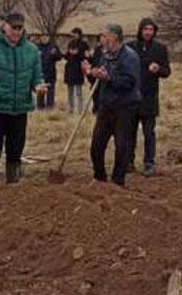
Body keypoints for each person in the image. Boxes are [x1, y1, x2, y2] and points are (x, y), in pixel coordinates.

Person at [0, 12, 48, 184]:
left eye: (19, 28)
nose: (16, 31)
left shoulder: (32, 50)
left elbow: (37, 77)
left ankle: (13, 184)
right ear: (4, 26)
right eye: (13, 27)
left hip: (20, 108)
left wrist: (38, 87)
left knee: (16, 149)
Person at [83, 24, 141, 186]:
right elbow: (99, 80)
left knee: (122, 146)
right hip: (106, 106)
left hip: (125, 107)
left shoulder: (130, 57)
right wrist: (91, 73)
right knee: (96, 145)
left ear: (115, 37)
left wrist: (109, 77)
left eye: (105, 36)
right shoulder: (104, 56)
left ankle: (118, 181)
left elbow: (130, 82)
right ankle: (100, 177)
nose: (102, 39)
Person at [127, 17, 171, 176]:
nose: (148, 32)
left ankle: (149, 163)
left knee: (149, 132)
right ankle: (128, 162)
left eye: (151, 30)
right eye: (145, 29)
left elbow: (167, 72)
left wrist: (158, 69)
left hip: (150, 97)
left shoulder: (160, 48)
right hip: (131, 96)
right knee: (129, 132)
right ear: (140, 30)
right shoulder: (130, 47)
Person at [64, 27, 90, 113]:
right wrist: (68, 53)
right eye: (73, 34)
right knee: (70, 91)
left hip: (78, 69)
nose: (74, 35)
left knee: (79, 92)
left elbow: (87, 57)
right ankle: (71, 108)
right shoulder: (70, 43)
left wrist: (78, 53)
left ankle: (80, 109)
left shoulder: (84, 44)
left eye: (75, 33)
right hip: (70, 69)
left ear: (79, 34)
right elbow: (66, 56)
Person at [36, 34, 62, 110]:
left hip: (51, 72)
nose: (44, 39)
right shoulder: (37, 47)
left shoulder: (53, 47)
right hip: (40, 72)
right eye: (42, 37)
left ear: (48, 38)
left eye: (46, 37)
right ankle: (40, 107)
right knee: (41, 90)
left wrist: (55, 54)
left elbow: (60, 57)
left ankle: (50, 106)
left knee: (50, 91)